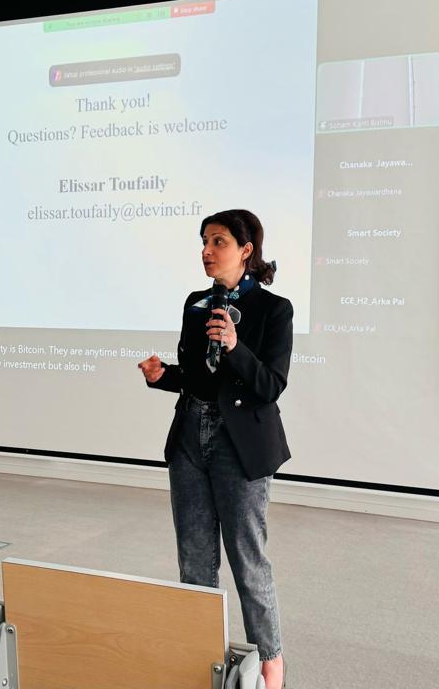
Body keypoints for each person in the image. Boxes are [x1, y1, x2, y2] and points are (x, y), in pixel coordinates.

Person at [138, 209, 292, 689]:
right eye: (204, 241)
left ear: (246, 250)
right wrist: (163, 376)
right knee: (194, 557)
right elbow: (196, 378)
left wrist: (235, 346)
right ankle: (200, 651)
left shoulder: (274, 309)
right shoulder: (196, 303)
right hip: (190, 436)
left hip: (239, 444)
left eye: (218, 241)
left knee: (247, 557)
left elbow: (270, 385)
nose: (206, 251)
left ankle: (270, 661)